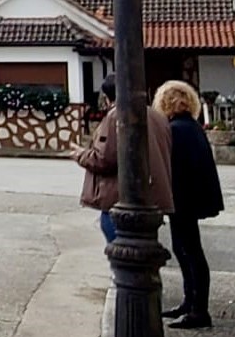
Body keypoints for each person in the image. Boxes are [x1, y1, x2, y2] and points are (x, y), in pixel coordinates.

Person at [154, 81, 223, 330]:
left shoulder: (176, 129)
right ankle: (191, 302)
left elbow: (173, 168)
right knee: (186, 248)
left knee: (190, 250)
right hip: (190, 196)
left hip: (183, 198)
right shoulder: (190, 127)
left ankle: (198, 309)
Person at [74, 75, 175, 243]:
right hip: (152, 198)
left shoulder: (116, 116)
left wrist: (80, 155)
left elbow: (104, 159)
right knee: (144, 253)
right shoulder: (158, 117)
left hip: (121, 201)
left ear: (107, 97)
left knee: (123, 254)